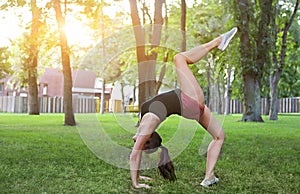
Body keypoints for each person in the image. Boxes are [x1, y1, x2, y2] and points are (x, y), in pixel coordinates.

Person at [130, 27, 238, 189]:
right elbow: (134, 155)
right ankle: (218, 41)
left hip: (190, 106)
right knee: (179, 58)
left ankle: (209, 177)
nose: (135, 140)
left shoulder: (144, 122)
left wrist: (139, 174)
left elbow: (138, 146)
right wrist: (136, 183)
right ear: (147, 138)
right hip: (189, 101)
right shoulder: (148, 122)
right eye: (142, 142)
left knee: (219, 136)